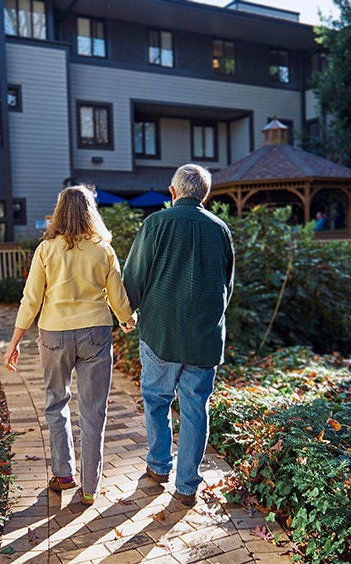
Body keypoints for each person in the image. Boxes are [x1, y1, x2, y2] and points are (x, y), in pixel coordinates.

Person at [3, 185, 137, 506]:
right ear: (91, 210)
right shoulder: (102, 248)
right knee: (93, 411)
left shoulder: (47, 249)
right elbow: (117, 295)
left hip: (54, 334)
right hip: (95, 333)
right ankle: (90, 487)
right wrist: (127, 319)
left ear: (60, 210)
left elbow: (31, 299)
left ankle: (63, 473)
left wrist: (15, 341)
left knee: (55, 402)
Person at [122, 164, 235, 507]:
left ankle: (158, 467)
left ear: (173, 193)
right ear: (205, 195)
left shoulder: (155, 223)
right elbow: (226, 286)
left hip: (161, 332)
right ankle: (187, 486)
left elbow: (134, 276)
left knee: (157, 401)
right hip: (203, 336)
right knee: (196, 408)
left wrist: (128, 314)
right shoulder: (220, 229)